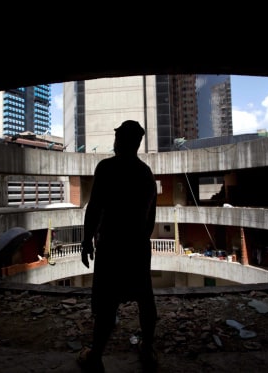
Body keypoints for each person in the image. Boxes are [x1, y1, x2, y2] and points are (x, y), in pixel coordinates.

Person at [78, 120, 158, 372]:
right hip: (137, 247)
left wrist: (87, 239)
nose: (114, 141)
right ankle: (147, 349)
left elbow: (95, 207)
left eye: (117, 136)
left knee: (106, 303)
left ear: (121, 140)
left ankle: (96, 355)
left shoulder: (107, 168)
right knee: (145, 298)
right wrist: (140, 240)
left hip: (111, 246)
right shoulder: (146, 174)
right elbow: (150, 217)